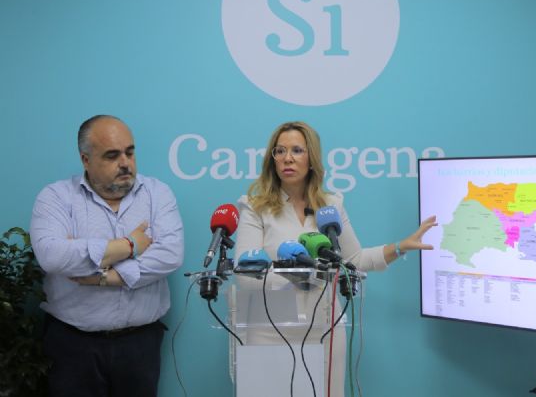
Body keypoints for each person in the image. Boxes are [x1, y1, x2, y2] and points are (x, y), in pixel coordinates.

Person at [234, 121, 437, 397]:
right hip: (269, 329)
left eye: (297, 150)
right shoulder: (255, 208)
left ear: (312, 159)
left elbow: (354, 259)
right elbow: (245, 276)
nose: (287, 158)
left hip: (325, 328)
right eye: (280, 151)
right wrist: (298, 275)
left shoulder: (331, 206)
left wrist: (400, 246)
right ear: (273, 159)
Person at [30, 115, 184, 397]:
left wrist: (106, 277)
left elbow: (171, 254)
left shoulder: (157, 194)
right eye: (112, 156)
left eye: (130, 152)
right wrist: (130, 245)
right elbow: (52, 256)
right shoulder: (56, 197)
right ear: (86, 160)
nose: (125, 163)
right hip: (72, 344)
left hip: (140, 345)